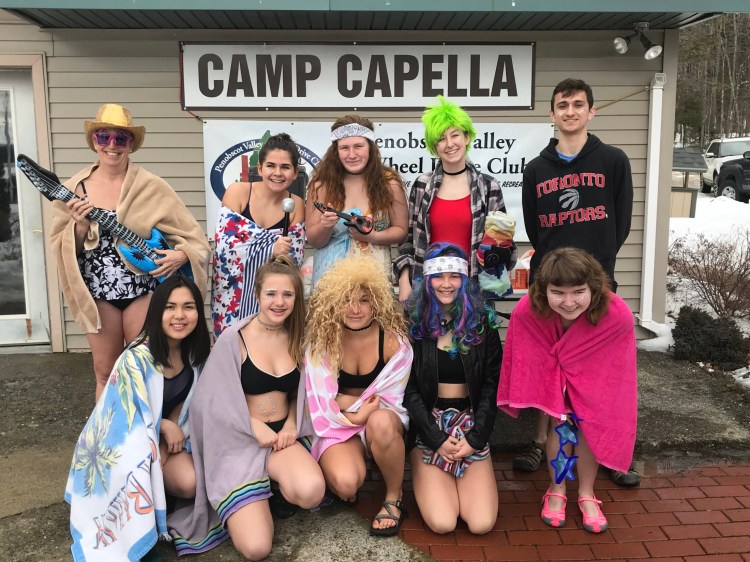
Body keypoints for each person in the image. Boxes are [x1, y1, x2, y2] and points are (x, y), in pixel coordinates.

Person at [517, 78, 637, 486]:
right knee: (550, 369)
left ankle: (607, 452)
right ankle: (541, 442)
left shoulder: (613, 161)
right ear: (551, 115)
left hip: (595, 290)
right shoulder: (536, 169)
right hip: (550, 291)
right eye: (562, 105)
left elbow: (619, 224)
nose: (570, 111)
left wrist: (592, 277)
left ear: (591, 111)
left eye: (578, 104)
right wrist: (557, 278)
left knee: (600, 381)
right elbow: (536, 230)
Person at [50, 103, 210, 400]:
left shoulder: (152, 186)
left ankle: (151, 437)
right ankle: (109, 441)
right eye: (103, 137)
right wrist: (80, 226)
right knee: (105, 370)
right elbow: (60, 244)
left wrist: (181, 254)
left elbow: (195, 237)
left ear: (131, 144)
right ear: (94, 141)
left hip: (144, 287)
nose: (112, 145)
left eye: (121, 139)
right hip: (98, 290)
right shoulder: (75, 188)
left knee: (147, 366)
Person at [169, 256, 325, 560]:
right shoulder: (234, 339)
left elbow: (301, 392)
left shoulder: (297, 337)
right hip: (240, 441)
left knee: (311, 491)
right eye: (271, 294)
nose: (279, 302)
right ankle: (249, 502)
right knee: (256, 549)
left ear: (296, 297)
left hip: (282, 438)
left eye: (287, 294)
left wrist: (292, 423)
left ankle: (273, 488)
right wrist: (253, 425)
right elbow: (209, 402)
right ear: (257, 295)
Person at [65, 275, 211, 562]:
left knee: (192, 483)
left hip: (164, 444)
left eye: (188, 307)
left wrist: (171, 433)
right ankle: (136, 534)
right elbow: (120, 422)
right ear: (157, 313)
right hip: (123, 448)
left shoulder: (197, 355)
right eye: (170, 307)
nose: (179, 316)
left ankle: (160, 500)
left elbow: (195, 406)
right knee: (140, 460)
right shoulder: (135, 358)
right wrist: (163, 428)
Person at [497, 247, 637, 533]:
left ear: (594, 288)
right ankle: (556, 488)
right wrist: (552, 380)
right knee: (561, 426)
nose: (569, 302)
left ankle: (586, 494)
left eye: (578, 291)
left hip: (596, 379)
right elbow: (523, 351)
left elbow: (618, 364)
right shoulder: (529, 309)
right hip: (553, 378)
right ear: (544, 289)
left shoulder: (616, 312)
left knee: (588, 429)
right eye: (558, 292)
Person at [304, 255, 412, 537]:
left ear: (375, 301)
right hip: (339, 423)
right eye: (346, 300)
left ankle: (393, 496)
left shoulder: (390, 340)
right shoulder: (324, 339)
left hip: (380, 418)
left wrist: (362, 413)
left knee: (380, 424)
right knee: (345, 483)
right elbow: (316, 397)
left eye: (363, 300)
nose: (354, 309)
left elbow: (391, 398)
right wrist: (355, 411)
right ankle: (357, 462)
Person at [404, 243, 501, 535]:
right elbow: (407, 390)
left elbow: (491, 386)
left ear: (464, 280)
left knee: (481, 523)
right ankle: (427, 468)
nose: (446, 284)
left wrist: (475, 437)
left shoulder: (483, 323)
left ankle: (470, 466)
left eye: (454, 276)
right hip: (429, 427)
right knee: (443, 522)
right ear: (427, 280)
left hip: (469, 424)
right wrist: (436, 438)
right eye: (438, 276)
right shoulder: (413, 325)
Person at [394, 95, 516, 303]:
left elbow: (504, 247)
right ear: (434, 146)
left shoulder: (488, 186)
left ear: (466, 137)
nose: (449, 144)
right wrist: (405, 281)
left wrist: (498, 249)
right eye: (441, 138)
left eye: (455, 135)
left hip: (474, 294)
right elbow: (407, 241)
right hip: (428, 293)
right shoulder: (422, 186)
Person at [212, 133, 306, 336]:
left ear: (295, 171)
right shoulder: (238, 192)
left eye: (285, 167)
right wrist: (270, 248)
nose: (278, 173)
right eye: (271, 166)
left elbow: (294, 260)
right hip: (234, 299)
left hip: (274, 302)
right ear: (260, 168)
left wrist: (281, 252)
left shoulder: (296, 204)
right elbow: (224, 251)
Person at [305, 115, 408, 287]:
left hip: (374, 284)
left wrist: (374, 236)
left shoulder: (389, 184)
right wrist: (325, 226)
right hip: (330, 285)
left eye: (358, 146)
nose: (352, 154)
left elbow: (401, 230)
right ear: (335, 151)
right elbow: (314, 240)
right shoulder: (321, 185)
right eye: (344, 148)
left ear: (370, 148)